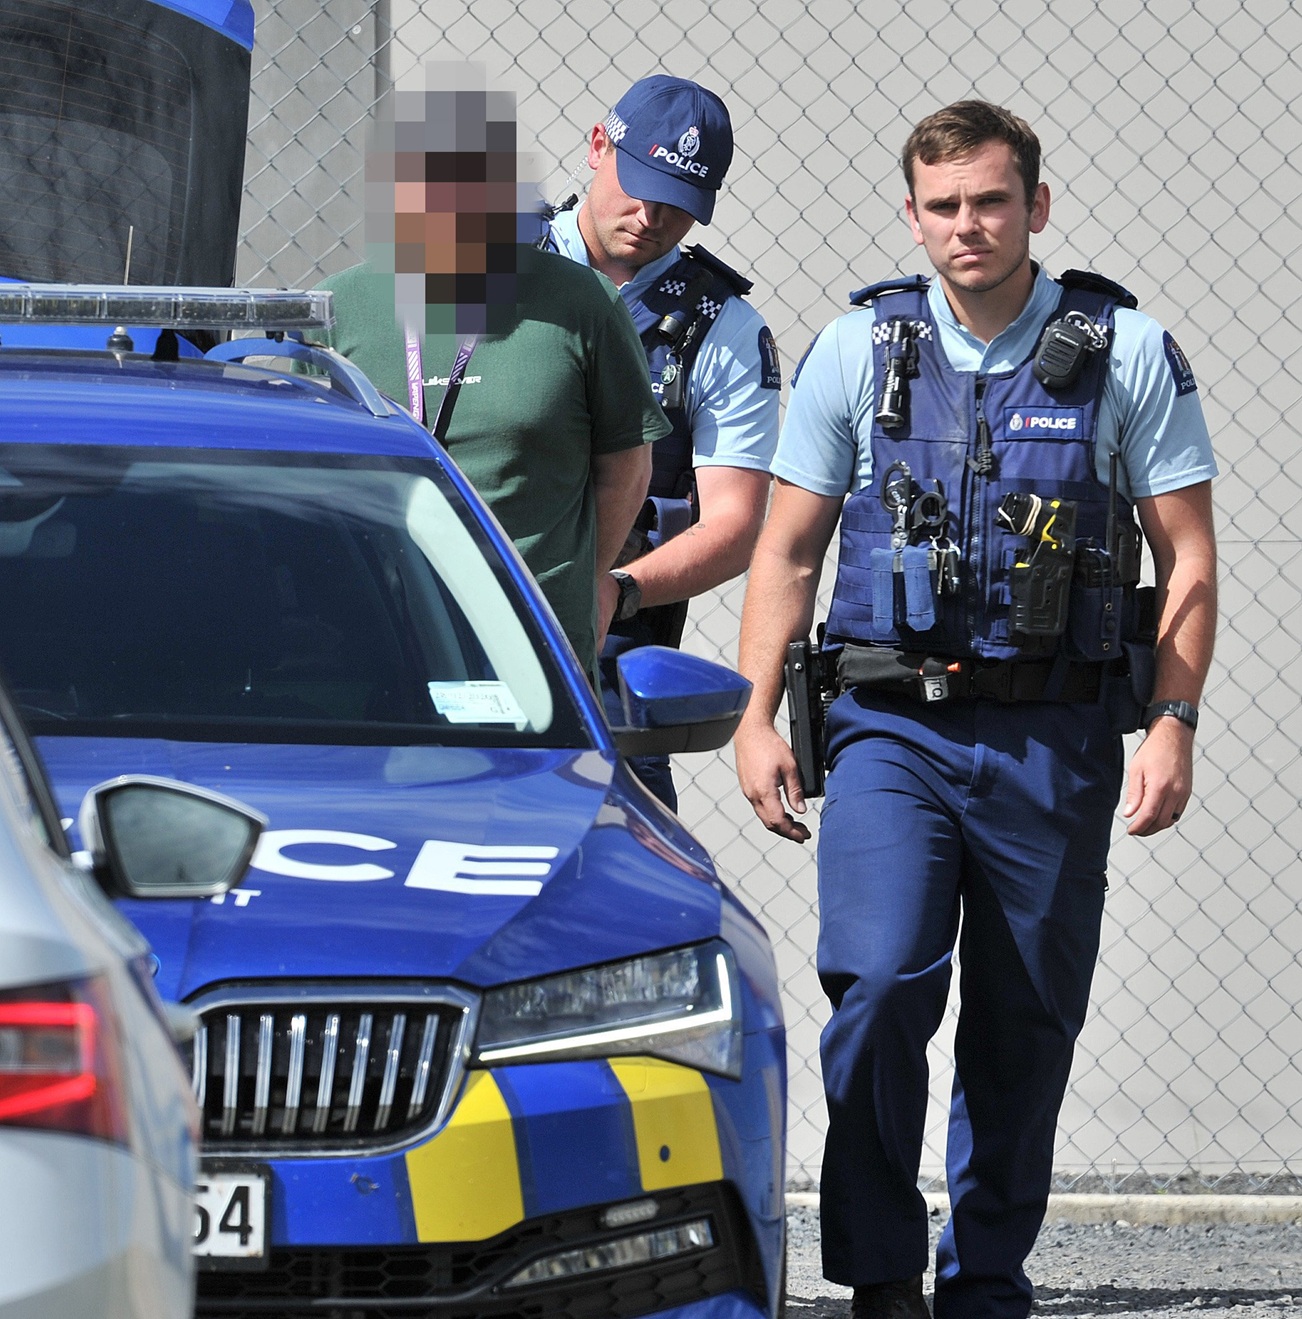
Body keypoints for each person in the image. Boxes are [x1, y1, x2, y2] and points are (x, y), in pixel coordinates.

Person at [733, 101, 1217, 1319]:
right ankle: (884, 1268)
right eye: (943, 206)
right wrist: (752, 715)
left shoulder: (1128, 351)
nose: (968, 225)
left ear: (1035, 208)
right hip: (891, 728)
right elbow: (787, 552)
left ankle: (988, 1274)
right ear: (912, 215)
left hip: (1053, 730)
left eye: (991, 201)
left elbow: (1191, 558)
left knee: (1026, 1019)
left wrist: (1173, 718)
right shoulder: (858, 349)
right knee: (883, 979)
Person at [315, 68, 668, 682]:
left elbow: (627, 469)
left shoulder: (581, 303)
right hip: (369, 640)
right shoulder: (336, 310)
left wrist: (582, 586)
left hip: (535, 644)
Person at [543, 74, 780, 809]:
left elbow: (735, 525)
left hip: (617, 656)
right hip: (452, 624)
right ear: (596, 146)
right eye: (641, 183)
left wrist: (615, 590)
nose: (651, 216)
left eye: (679, 203)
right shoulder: (476, 266)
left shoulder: (726, 329)